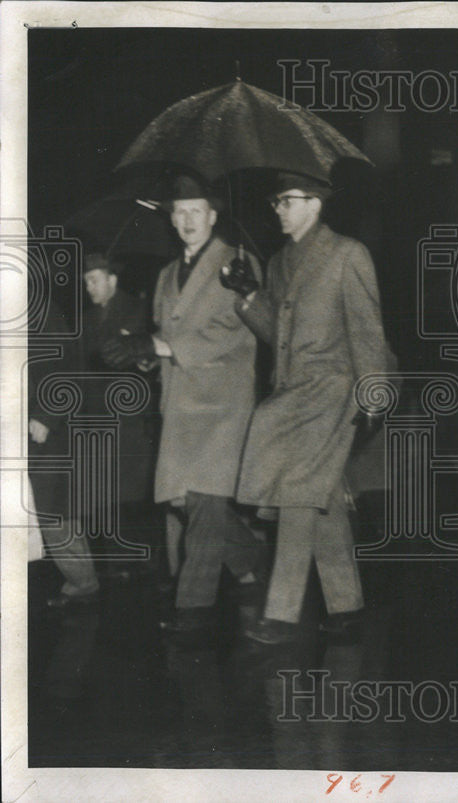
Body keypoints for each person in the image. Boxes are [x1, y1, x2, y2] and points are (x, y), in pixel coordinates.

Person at [221, 171, 392, 646]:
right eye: (276, 201)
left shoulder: (346, 254)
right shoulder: (278, 262)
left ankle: (281, 613)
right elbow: (280, 337)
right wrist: (248, 296)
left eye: (287, 201)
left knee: (296, 493)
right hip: (292, 393)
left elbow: (366, 330)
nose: (278, 208)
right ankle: (346, 606)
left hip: (332, 391)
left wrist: (373, 395)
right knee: (322, 498)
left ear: (314, 205)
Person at [102, 174, 263, 638]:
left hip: (221, 405)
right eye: (180, 212)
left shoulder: (238, 263)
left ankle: (193, 610)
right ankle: (249, 558)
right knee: (188, 504)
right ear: (171, 220)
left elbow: (231, 332)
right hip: (180, 404)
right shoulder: (165, 275)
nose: (188, 220)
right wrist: (140, 353)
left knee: (205, 506)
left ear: (213, 216)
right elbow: (163, 340)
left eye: (197, 211)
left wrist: (161, 347)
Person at [79, 253, 155, 573]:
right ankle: (119, 565)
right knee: (106, 493)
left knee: (141, 495)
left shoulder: (138, 311)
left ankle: (148, 564)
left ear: (113, 280)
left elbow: (147, 362)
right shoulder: (86, 319)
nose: (89, 287)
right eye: (86, 282)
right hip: (98, 417)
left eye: (94, 280)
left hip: (132, 418)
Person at [29, 301, 101, 608]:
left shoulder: (41, 312)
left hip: (44, 428)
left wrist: (47, 415)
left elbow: (66, 367)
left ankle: (82, 581)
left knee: (52, 509)